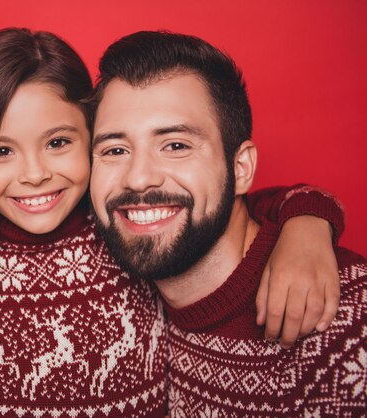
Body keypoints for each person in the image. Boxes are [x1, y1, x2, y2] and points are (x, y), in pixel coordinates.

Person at [0, 28, 345, 416]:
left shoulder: (113, 228)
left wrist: (308, 220)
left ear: (88, 141)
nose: (34, 174)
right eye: (0, 150)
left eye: (57, 143)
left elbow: (229, 206)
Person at [89, 30, 366, 415]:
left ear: (241, 168)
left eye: (176, 146)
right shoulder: (119, 296)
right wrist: (309, 214)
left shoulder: (349, 333)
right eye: (115, 150)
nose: (138, 179)